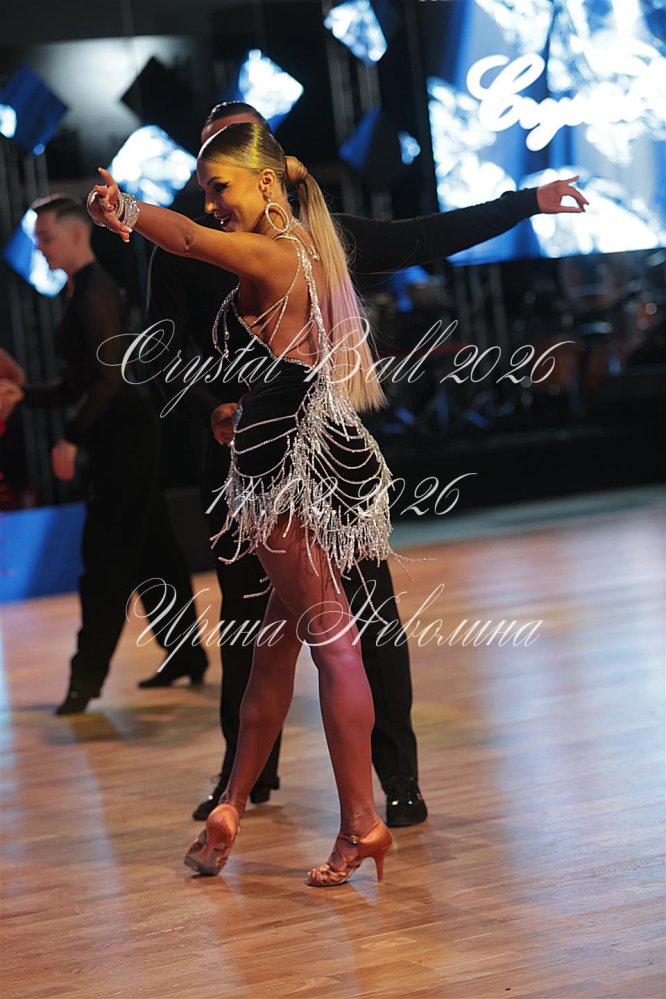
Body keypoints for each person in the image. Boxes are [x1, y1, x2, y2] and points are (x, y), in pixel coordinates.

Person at [88, 121, 586, 886]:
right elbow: (425, 234)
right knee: (275, 647)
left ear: (264, 183)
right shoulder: (321, 246)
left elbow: (184, 240)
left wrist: (125, 210)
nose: (210, 203)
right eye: (205, 191)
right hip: (332, 454)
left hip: (281, 464)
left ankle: (360, 822)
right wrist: (529, 201)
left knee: (335, 640)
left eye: (219, 187)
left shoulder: (270, 254)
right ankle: (232, 804)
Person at [0, 196, 208, 714]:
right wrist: (25, 396)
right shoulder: (81, 291)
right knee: (153, 549)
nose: (40, 249)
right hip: (122, 432)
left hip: (125, 436)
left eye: (46, 238)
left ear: (77, 234)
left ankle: (85, 681)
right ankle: (187, 656)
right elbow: (81, 382)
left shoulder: (94, 290)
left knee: (105, 561)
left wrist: (70, 437)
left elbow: (109, 380)